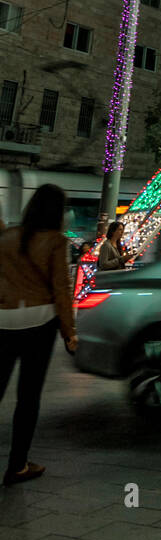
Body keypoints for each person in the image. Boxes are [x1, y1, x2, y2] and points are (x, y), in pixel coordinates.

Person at [0, 183, 77, 486]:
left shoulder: (7, 237)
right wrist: (69, 332)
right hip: (39, 322)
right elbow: (61, 289)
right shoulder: (56, 242)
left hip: (3, 319)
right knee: (28, 396)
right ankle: (17, 466)